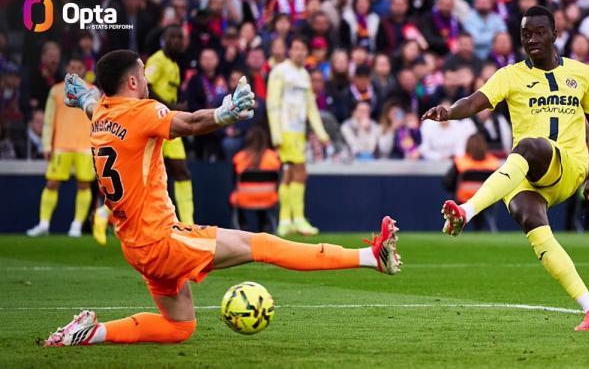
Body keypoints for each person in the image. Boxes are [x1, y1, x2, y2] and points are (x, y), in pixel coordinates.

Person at [44, 50, 401, 347]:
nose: (147, 80)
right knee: (262, 245)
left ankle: (90, 333)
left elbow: (92, 105)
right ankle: (371, 257)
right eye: (143, 73)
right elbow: (190, 123)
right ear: (134, 82)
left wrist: (85, 97)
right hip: (161, 240)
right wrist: (223, 114)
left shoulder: (102, 113)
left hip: (136, 246)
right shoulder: (142, 111)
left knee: (179, 327)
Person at [422, 6, 589, 331]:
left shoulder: (582, 74)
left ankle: (466, 212)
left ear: (555, 35)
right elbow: (474, 101)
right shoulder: (510, 75)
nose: (532, 39)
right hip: (525, 172)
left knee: (528, 146)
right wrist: (449, 112)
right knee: (529, 218)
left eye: (539, 32)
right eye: (525, 34)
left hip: (568, 164)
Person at [26, 56, 96, 239]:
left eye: (78, 67)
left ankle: (76, 225)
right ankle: (44, 224)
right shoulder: (56, 90)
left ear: (84, 70)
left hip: (85, 146)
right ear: (67, 69)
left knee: (84, 185)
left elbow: (98, 119)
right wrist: (46, 145)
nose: (75, 70)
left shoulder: (93, 90)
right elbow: (48, 120)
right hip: (61, 146)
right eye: (72, 67)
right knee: (51, 184)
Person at [267, 37, 330, 236]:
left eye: (302, 49)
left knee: (289, 173)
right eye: (295, 48)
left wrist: (321, 133)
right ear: (290, 51)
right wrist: (276, 133)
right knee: (300, 172)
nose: (299, 52)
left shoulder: (304, 75)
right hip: (285, 129)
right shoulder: (279, 71)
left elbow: (311, 107)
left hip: (299, 131)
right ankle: (298, 218)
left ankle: (286, 220)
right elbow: (272, 103)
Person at [144, 25, 195, 224]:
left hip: (170, 124)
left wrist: (178, 106)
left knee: (181, 171)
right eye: (172, 37)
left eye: (179, 37)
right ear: (163, 39)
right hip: (155, 123)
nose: (176, 41)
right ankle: (106, 214)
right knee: (147, 176)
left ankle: (188, 223)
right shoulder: (158, 60)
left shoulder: (174, 65)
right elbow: (146, 88)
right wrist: (171, 106)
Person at [229, 127, 281, 232]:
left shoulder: (239, 158)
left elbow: (234, 182)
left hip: (244, 199)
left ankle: (242, 225)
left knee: (232, 198)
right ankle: (264, 225)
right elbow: (278, 181)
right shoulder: (273, 157)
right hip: (268, 199)